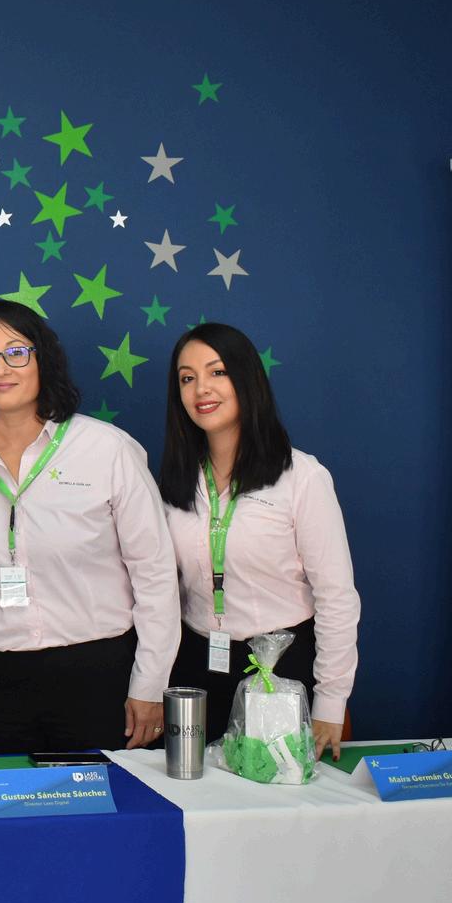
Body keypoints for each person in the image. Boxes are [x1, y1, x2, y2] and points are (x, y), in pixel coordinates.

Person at [0, 300, 179, 753]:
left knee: (101, 799)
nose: (0, 368)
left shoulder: (107, 450)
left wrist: (150, 685)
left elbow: (156, 574)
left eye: (16, 352)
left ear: (43, 360)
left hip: (97, 679)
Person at [160, 322, 360, 760]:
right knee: (195, 789)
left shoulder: (301, 477)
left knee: (277, 787)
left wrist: (330, 701)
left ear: (247, 379)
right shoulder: (175, 481)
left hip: (282, 668)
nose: (201, 389)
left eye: (217, 372)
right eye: (187, 378)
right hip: (196, 667)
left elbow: (336, 596)